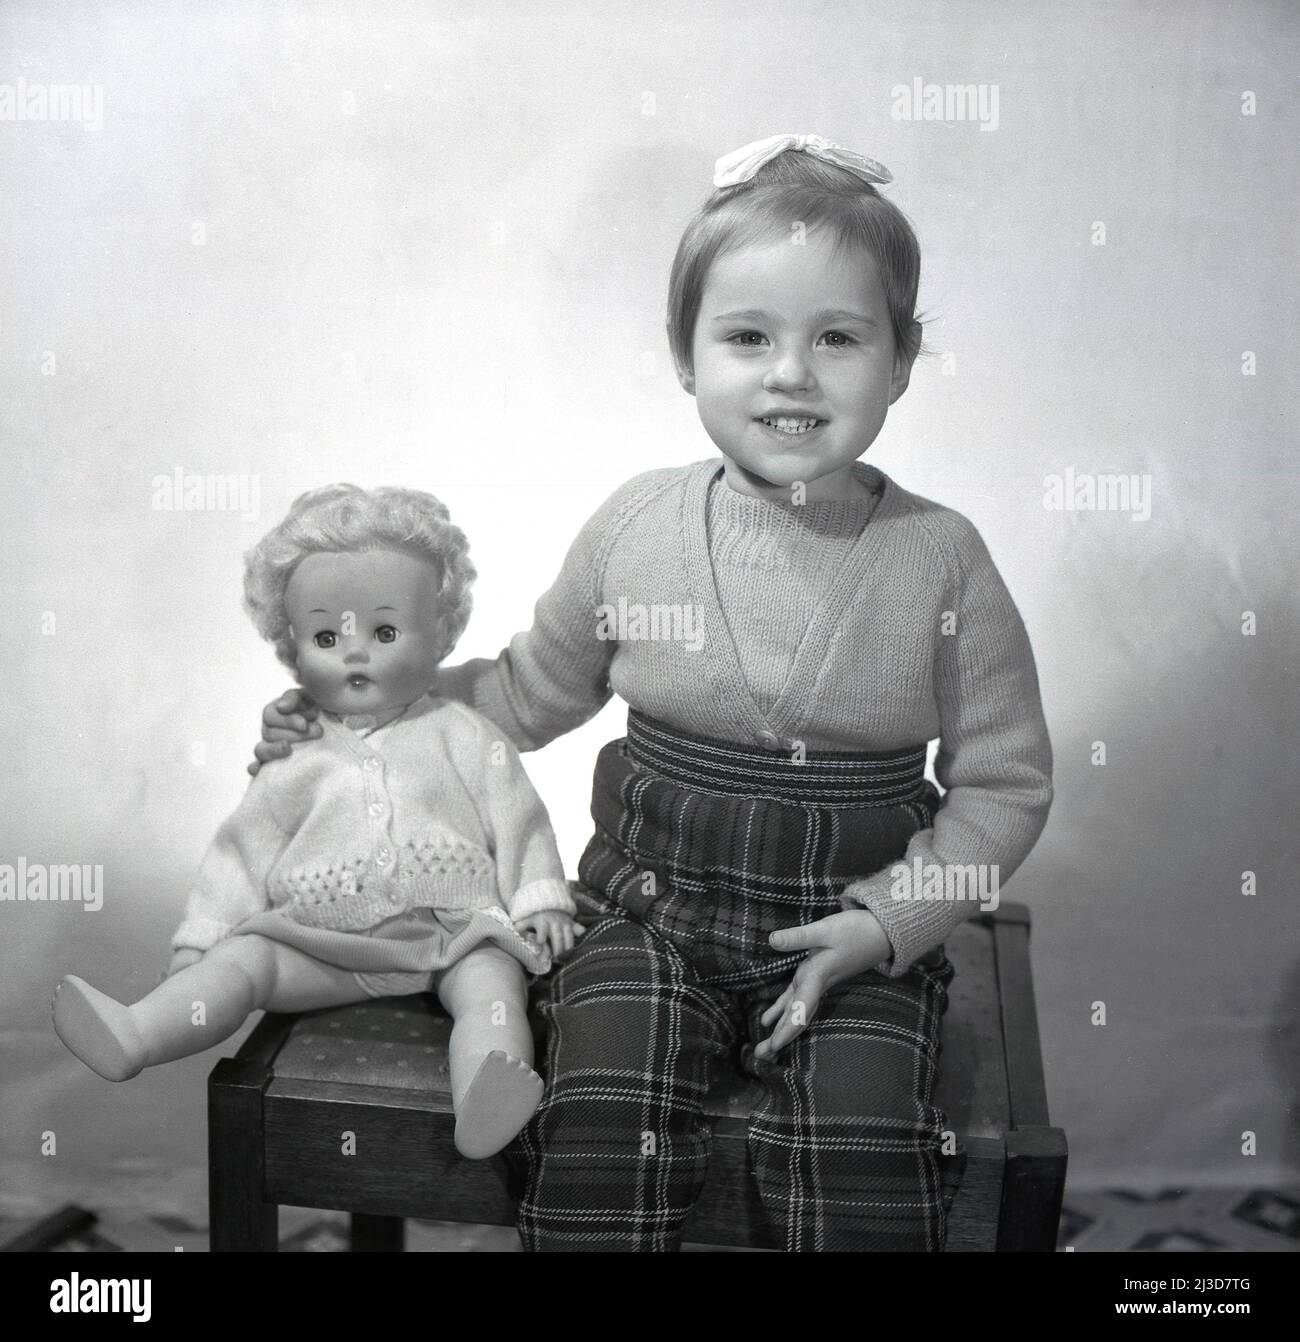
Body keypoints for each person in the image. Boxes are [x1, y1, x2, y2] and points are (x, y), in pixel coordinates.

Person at [254, 133, 1054, 1249]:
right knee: (601, 1125)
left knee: (866, 1149)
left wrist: (886, 929)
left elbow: (1004, 788)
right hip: (651, 916)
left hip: (850, 928)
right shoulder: (638, 530)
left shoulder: (942, 561)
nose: (791, 371)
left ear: (902, 359)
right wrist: (365, 719)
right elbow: (527, 692)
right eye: (747, 336)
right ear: (686, 356)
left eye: (837, 336)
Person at [53, 484, 583, 1160]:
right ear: (291, 649)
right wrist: (200, 941)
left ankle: (486, 1093)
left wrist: (540, 898)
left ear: (442, 636)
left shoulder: (464, 734)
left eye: (385, 631)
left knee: (492, 985)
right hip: (318, 942)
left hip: (449, 933)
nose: (355, 652)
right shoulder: (295, 752)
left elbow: (520, 818)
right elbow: (241, 852)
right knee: (244, 964)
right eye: (328, 636)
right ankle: (137, 1033)